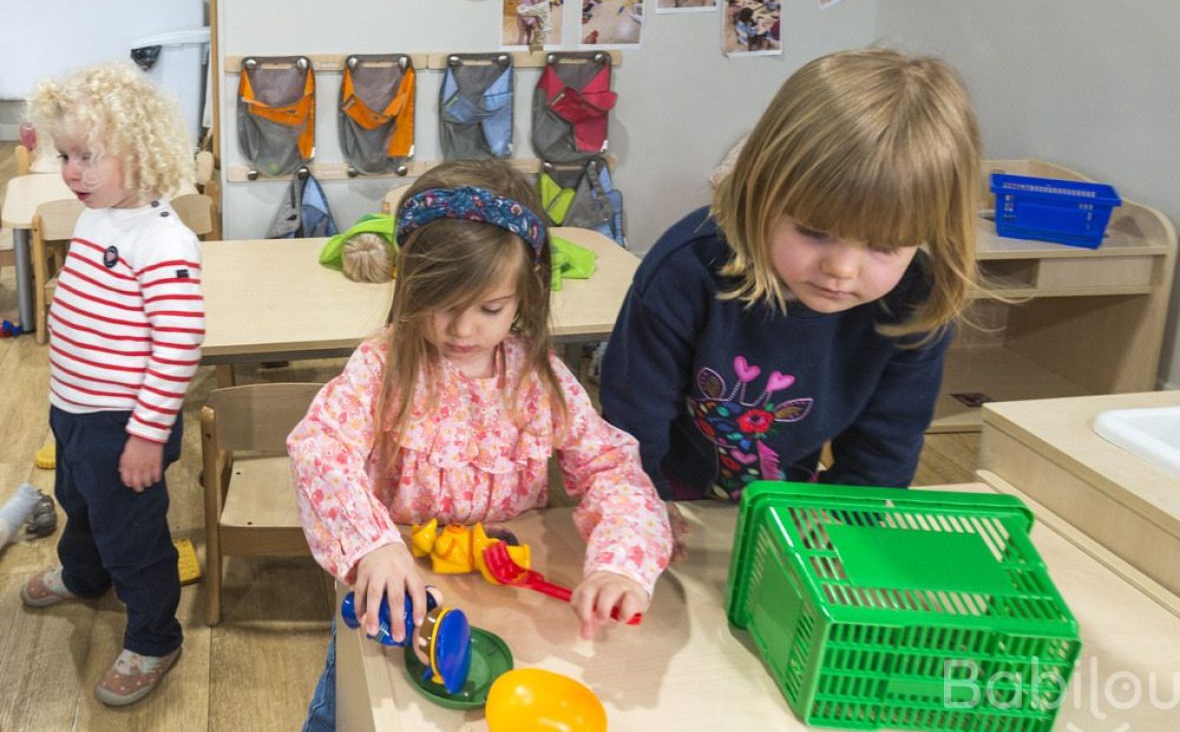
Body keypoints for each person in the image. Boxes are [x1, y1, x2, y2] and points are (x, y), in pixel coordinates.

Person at [289, 159, 672, 731]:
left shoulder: (538, 378)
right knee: (349, 710)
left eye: (490, 309)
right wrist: (373, 545)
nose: (463, 330)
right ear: (410, 286)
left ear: (526, 295)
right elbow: (319, 448)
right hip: (404, 588)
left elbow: (612, 468)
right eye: (442, 305)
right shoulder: (381, 366)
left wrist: (621, 563)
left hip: (504, 594)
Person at [600, 48, 981, 508]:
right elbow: (631, 423)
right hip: (668, 493)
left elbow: (882, 455)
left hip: (790, 497)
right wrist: (644, 516)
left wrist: (845, 535)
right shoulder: (687, 267)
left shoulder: (915, 301)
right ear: (760, 191)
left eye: (883, 246)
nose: (841, 269)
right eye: (813, 232)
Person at [21, 63, 203, 706]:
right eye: (67, 154)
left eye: (89, 156)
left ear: (141, 151)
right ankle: (83, 573)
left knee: (133, 533)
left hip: (125, 424)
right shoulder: (99, 213)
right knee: (78, 500)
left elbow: (179, 347)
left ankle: (154, 637)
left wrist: (147, 437)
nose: (74, 171)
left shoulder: (163, 240)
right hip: (73, 410)